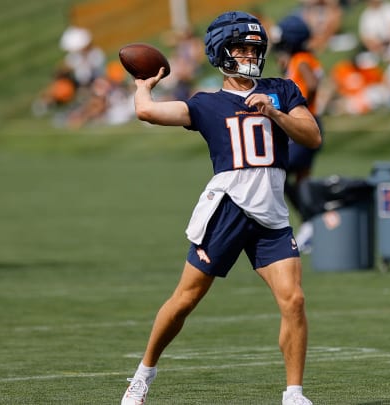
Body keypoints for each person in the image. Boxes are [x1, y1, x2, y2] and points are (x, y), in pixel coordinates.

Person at [120, 11, 321, 405]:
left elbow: (311, 135)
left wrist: (275, 113)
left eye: (254, 47)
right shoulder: (207, 103)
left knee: (294, 300)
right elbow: (148, 112)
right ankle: (143, 374)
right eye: (241, 47)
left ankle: (294, 393)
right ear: (221, 53)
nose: (251, 54)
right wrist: (144, 85)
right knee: (185, 300)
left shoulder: (282, 88)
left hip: (271, 213)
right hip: (228, 209)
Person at [272, 14, 324, 251]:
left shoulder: (301, 59)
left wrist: (303, 106)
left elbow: (311, 84)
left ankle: (312, 221)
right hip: (307, 123)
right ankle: (310, 225)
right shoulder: (299, 58)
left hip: (304, 123)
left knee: (278, 169)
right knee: (302, 178)